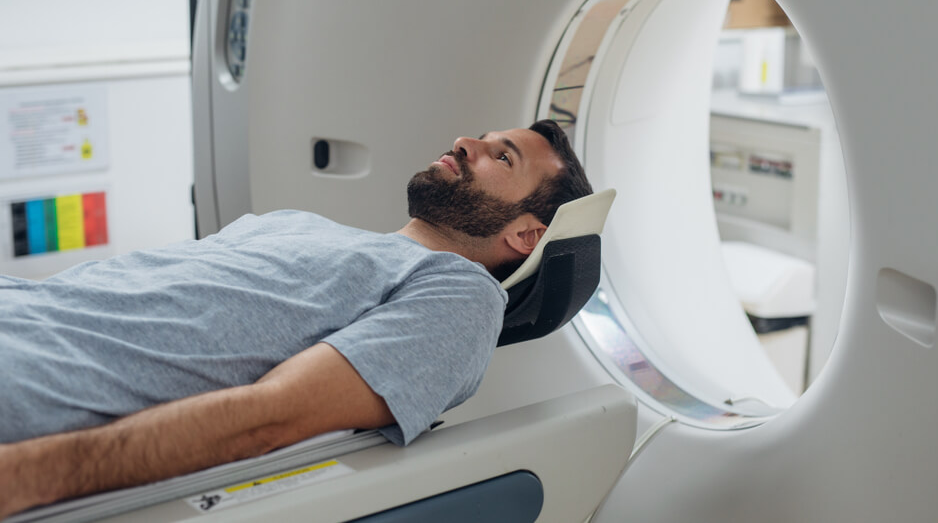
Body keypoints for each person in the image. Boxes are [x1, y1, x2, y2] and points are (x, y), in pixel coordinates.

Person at [0, 119, 592, 517]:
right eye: (483, 137)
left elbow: (267, 421)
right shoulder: (295, 222)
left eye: (501, 156)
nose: (467, 141)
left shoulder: (461, 298)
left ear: (525, 234)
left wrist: (24, 477)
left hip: (28, 382)